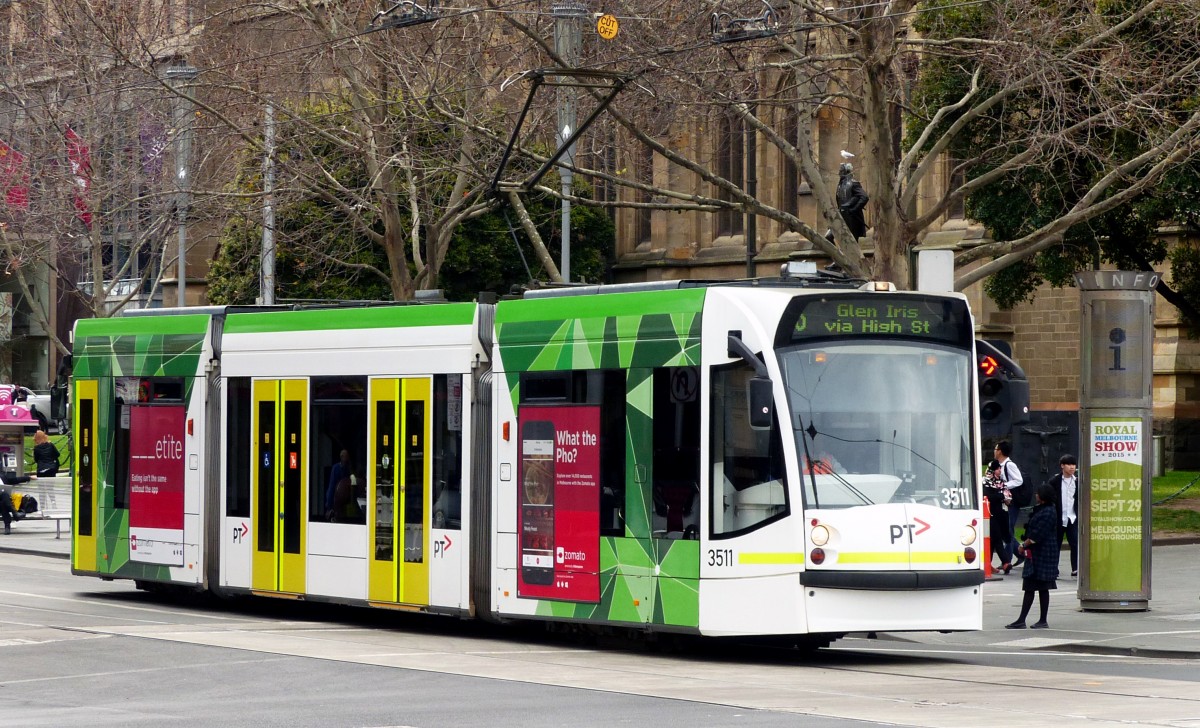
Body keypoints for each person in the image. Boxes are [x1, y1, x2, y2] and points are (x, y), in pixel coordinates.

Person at [1005, 484, 1060, 629]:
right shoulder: (1044, 510)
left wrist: (1024, 545)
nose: (1036, 495)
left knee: (1040, 587)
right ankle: (1025, 619)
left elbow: (1038, 534)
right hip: (1038, 553)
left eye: (1038, 493)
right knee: (1034, 587)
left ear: (1043, 496)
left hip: (1043, 553)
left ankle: (1038, 620)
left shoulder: (1048, 512)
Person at [994, 441, 1025, 570]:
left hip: (1011, 502)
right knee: (1006, 530)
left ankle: (1007, 560)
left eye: (996, 448)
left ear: (1000, 451)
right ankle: (1019, 552)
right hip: (1004, 501)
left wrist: (1004, 486)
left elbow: (1019, 480)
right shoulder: (999, 465)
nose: (994, 451)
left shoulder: (1009, 465)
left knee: (1008, 529)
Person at [1049, 454, 1080, 577]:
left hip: (1072, 517)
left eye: (1073, 464)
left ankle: (1076, 568)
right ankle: (1053, 569)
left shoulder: (1077, 481)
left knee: (1074, 543)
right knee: (1055, 544)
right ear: (1062, 466)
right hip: (1059, 518)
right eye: (1069, 464)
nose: (1072, 467)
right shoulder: (1055, 481)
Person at [983, 458, 1011, 570]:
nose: (1000, 470)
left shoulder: (1001, 481)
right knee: (997, 537)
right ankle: (1005, 562)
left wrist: (1008, 498)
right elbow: (987, 496)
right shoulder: (985, 482)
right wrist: (1001, 496)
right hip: (990, 514)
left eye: (1000, 468)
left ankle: (987, 564)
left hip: (1002, 514)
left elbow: (1007, 493)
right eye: (998, 468)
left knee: (993, 540)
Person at [836, 162, 870, 241]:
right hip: (841, 215)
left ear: (846, 171)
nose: (839, 173)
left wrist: (854, 210)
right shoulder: (840, 185)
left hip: (852, 218)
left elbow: (864, 197)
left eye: (841, 171)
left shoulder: (854, 183)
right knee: (830, 236)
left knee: (852, 240)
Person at [325, 449, 352, 519]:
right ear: (342, 457)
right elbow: (332, 485)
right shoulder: (336, 468)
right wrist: (329, 506)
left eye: (347, 456)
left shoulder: (348, 468)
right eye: (346, 456)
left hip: (344, 498)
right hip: (336, 496)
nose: (347, 458)